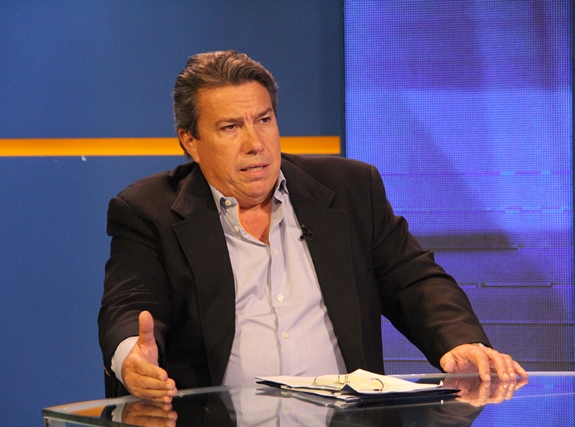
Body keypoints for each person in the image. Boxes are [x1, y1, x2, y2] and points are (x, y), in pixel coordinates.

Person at [98, 50, 527, 401]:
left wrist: (458, 341)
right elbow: (130, 304)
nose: (255, 144)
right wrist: (131, 358)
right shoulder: (148, 211)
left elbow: (413, 279)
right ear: (190, 141)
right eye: (230, 127)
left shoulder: (350, 189)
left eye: (264, 120)